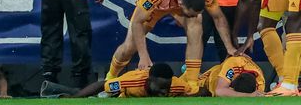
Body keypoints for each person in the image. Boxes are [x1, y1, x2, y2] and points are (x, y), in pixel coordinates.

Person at [104, 0, 237, 90]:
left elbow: (218, 17)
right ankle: (110, 77)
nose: (191, 17)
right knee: (130, 46)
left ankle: (191, 82)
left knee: (196, 23)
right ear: (180, 4)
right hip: (158, 4)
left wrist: (229, 47)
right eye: (189, 14)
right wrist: (143, 56)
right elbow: (138, 22)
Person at [41, 63, 196, 98]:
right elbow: (102, 85)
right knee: (95, 97)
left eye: (167, 88)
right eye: (162, 87)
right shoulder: (131, 81)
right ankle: (59, 91)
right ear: (149, 80)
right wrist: (75, 100)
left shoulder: (176, 85)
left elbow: (198, 93)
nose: (165, 92)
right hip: (118, 94)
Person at [196, 55, 265, 97]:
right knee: (191, 90)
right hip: (207, 81)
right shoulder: (234, 64)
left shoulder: (260, 83)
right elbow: (220, 91)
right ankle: (189, 71)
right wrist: (249, 96)